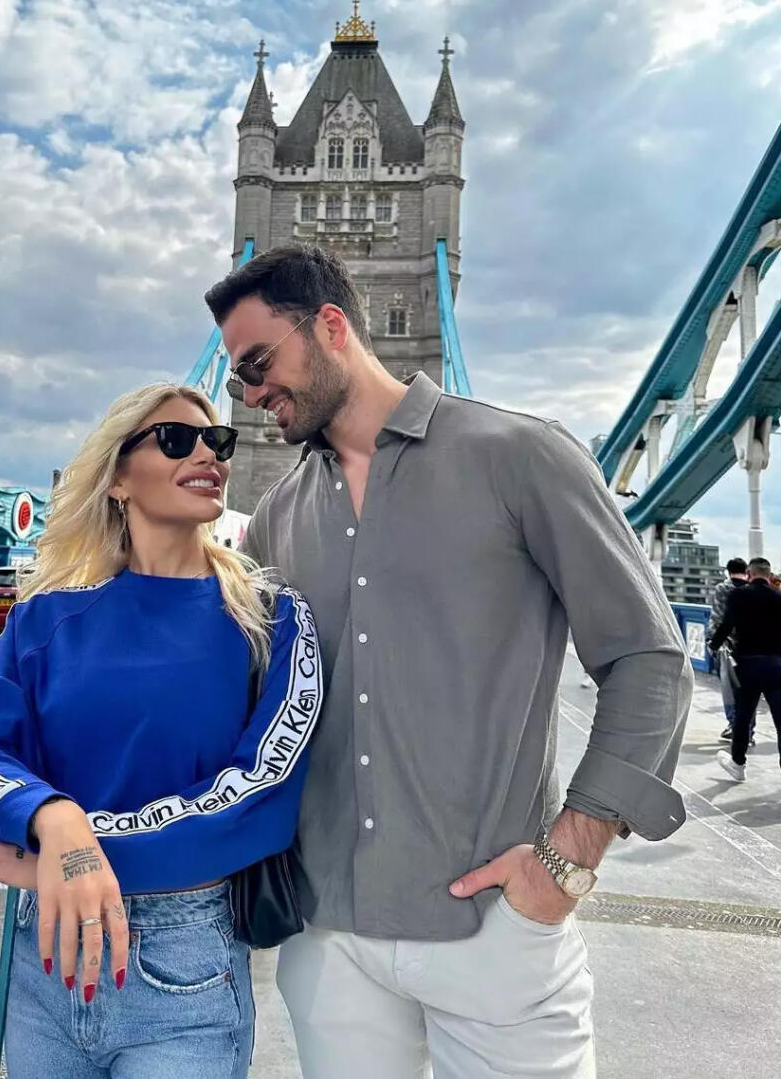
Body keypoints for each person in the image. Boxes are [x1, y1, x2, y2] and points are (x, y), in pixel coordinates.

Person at [205, 244, 693, 1079]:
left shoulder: (520, 456)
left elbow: (648, 657)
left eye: (257, 364)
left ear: (331, 327)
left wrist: (566, 864)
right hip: (329, 940)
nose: (249, 395)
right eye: (237, 379)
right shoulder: (280, 514)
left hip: (494, 930)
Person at [0, 383, 323, 1079]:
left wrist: (73, 856)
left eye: (217, 440)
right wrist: (55, 821)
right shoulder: (44, 621)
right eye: (176, 440)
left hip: (184, 969)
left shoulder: (274, 620)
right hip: (45, 967)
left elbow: (260, 794)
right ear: (117, 479)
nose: (208, 455)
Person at [709, 555, 781, 783]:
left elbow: (726, 625)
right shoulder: (779, 597)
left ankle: (738, 764)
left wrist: (713, 645)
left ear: (749, 574)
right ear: (769, 575)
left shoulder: (738, 595)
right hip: (775, 665)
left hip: (747, 665)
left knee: (743, 716)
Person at [709, 557, 753, 745]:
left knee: (729, 687)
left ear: (728, 571)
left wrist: (713, 643)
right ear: (746, 571)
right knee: (749, 690)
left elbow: (719, 618)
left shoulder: (722, 589)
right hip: (751, 646)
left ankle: (734, 725)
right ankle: (748, 731)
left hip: (726, 645)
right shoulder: (752, 589)